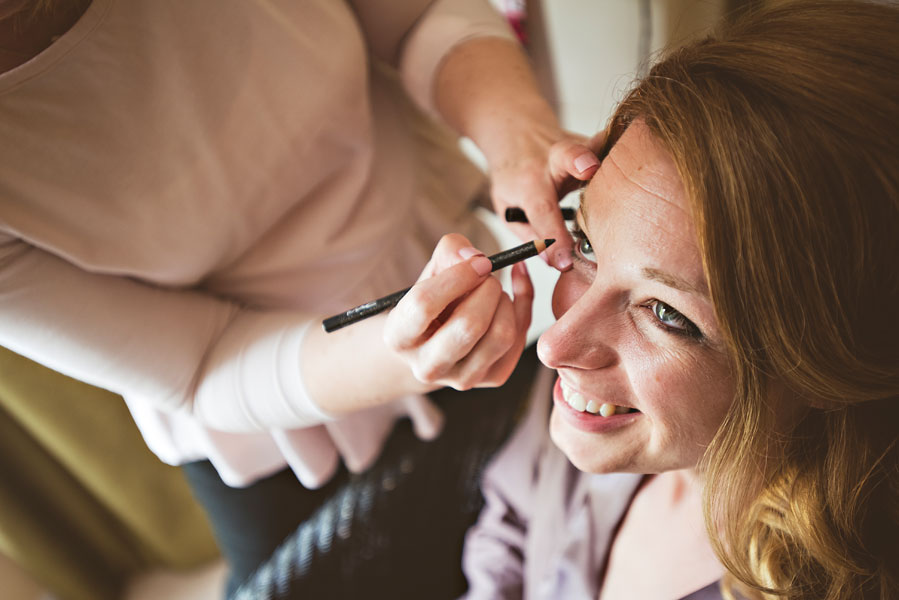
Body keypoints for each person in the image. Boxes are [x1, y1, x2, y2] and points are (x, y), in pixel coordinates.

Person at [0, 0, 601, 594]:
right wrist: (403, 355)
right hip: (263, 420)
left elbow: (419, 16)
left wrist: (516, 134)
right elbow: (203, 361)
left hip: (430, 265)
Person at [382, 1, 898, 598]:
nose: (555, 344)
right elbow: (513, 521)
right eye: (588, 243)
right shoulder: (601, 411)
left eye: (667, 314)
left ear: (828, 367)